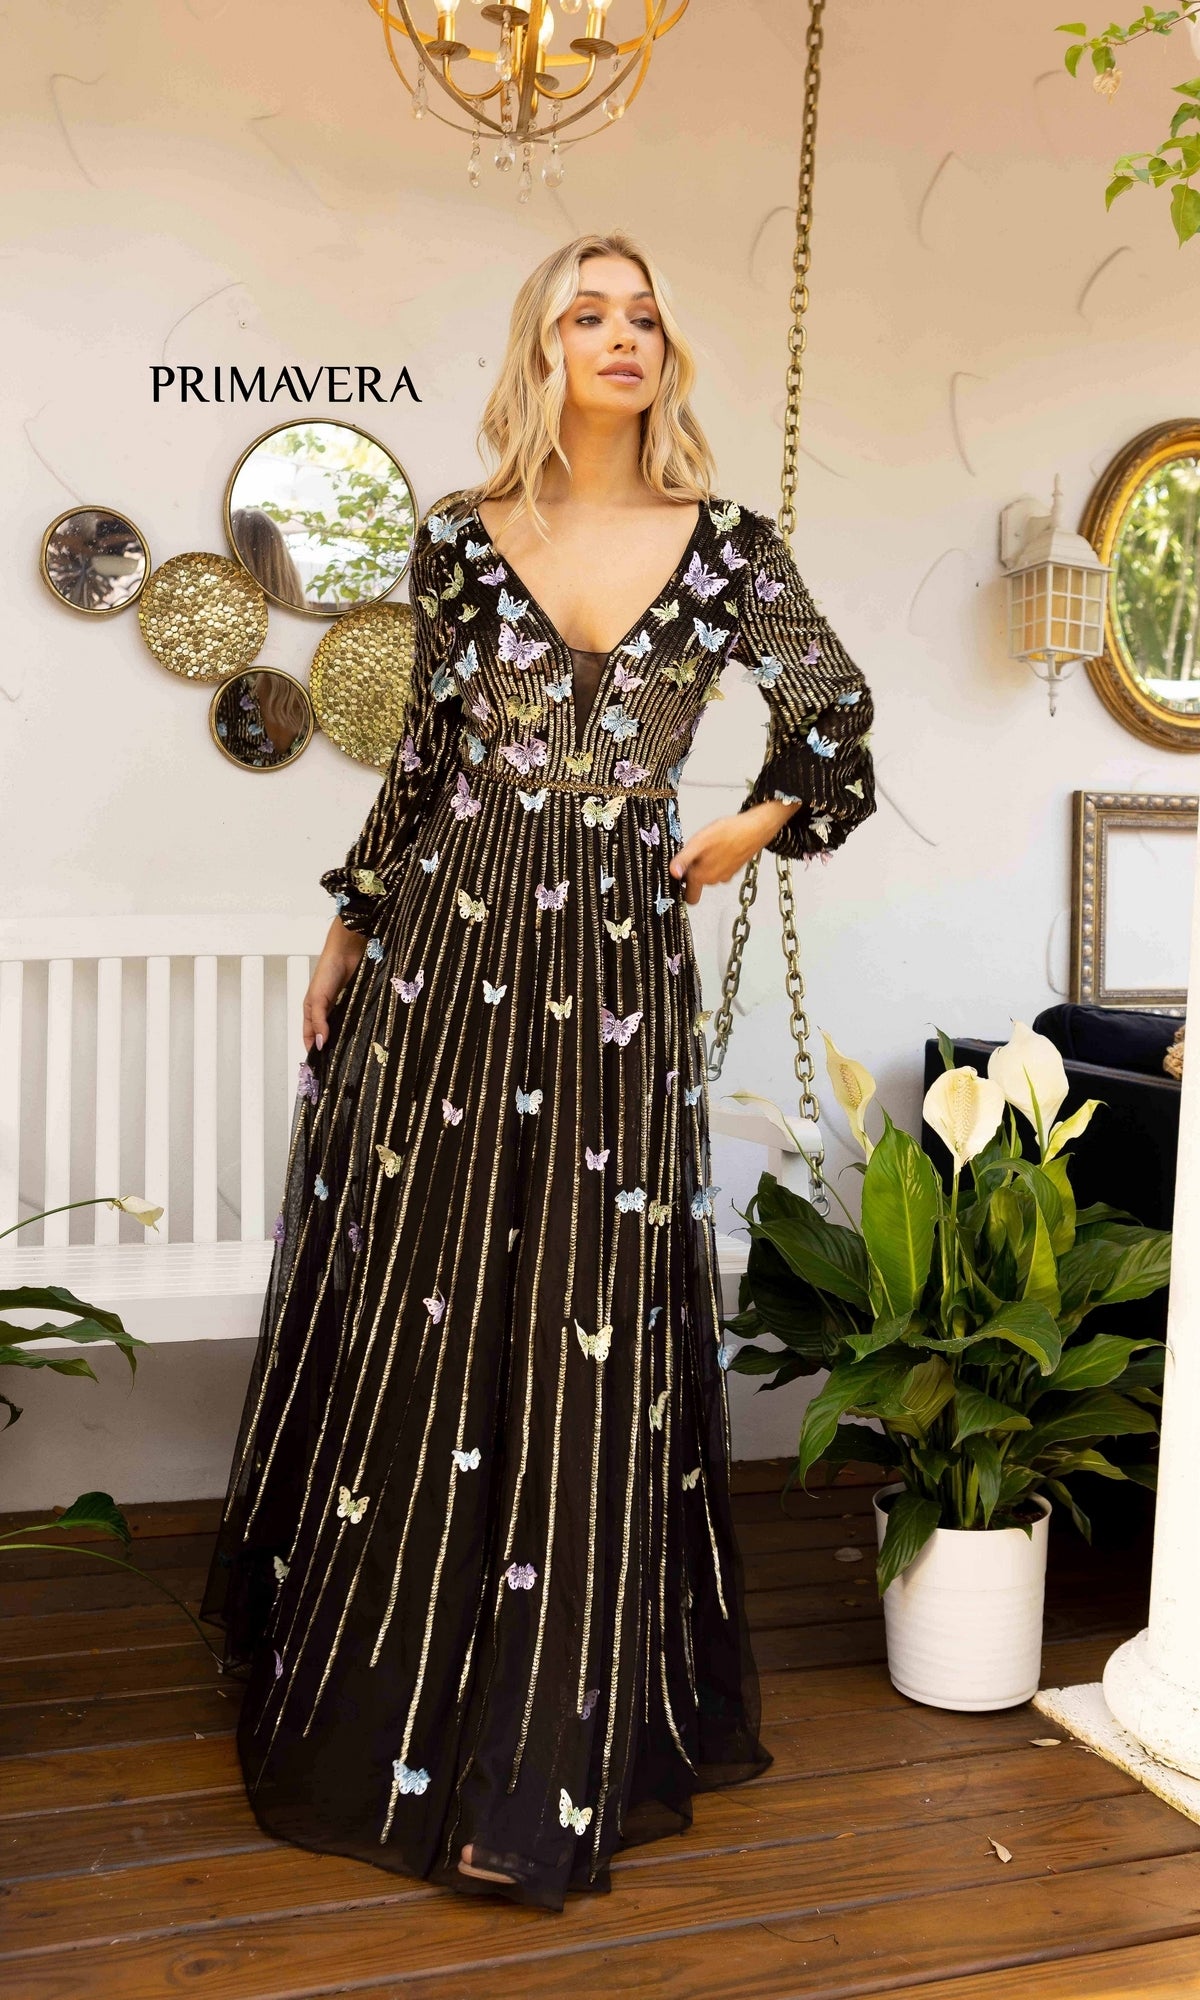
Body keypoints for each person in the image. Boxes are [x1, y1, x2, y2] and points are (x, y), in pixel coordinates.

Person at [200, 228, 876, 1912]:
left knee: (587, 1299)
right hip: (448, 947)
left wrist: (746, 825)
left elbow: (839, 718)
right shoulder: (454, 538)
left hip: (610, 971)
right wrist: (351, 929)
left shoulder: (727, 549)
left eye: (646, 313)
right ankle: (390, 1688)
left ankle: (545, 1737)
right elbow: (425, 757)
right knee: (429, 1283)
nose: (624, 335)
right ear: (541, 348)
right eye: (590, 312)